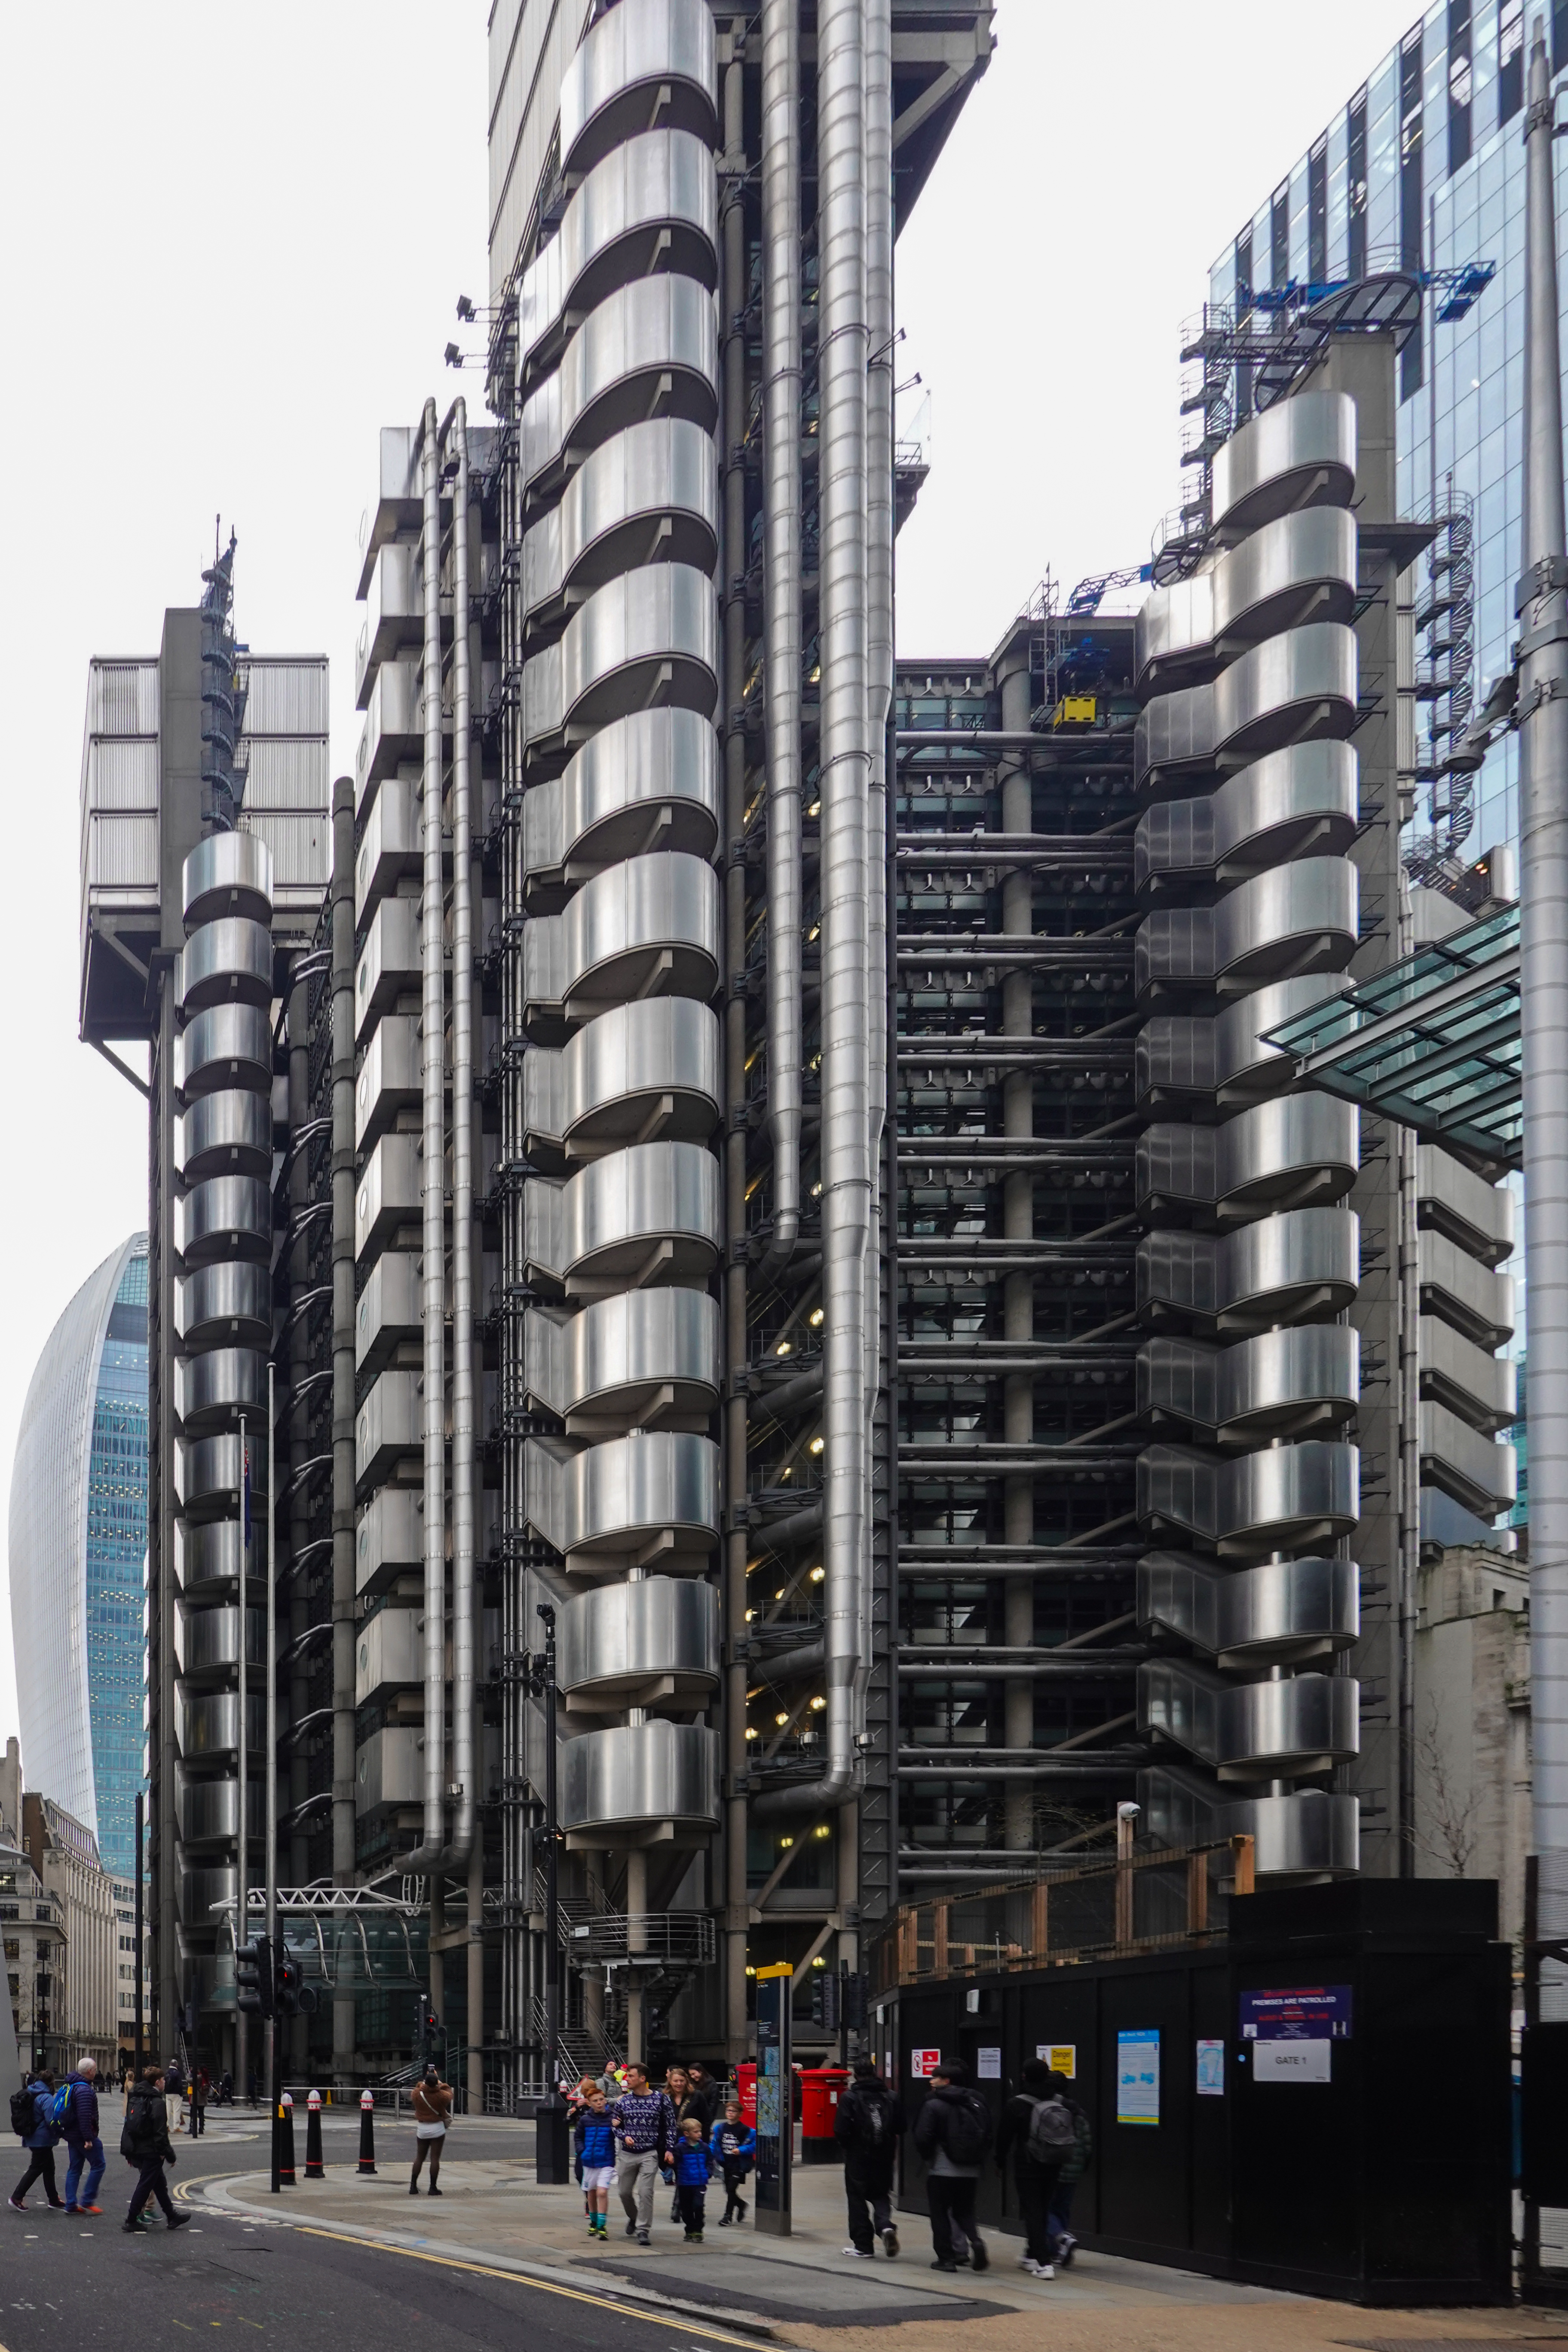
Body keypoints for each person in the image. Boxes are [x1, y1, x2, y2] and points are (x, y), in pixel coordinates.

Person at [996, 2058, 1079, 2279]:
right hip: (1054, 2162)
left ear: (1024, 2076)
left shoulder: (1017, 2104)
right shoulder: (1062, 2101)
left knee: (1033, 2211)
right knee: (1043, 2208)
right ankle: (1032, 2254)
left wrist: (999, 2162)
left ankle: (1044, 2263)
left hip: (1027, 2164)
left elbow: (1004, 2137)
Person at [913, 2060, 992, 2273]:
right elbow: (988, 2133)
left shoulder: (933, 2103)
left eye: (935, 2077)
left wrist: (929, 2157)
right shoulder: (976, 2102)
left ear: (946, 2081)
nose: (931, 2081)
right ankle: (976, 2242)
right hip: (971, 2169)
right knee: (965, 2211)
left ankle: (945, 2259)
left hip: (942, 2168)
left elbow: (922, 2136)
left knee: (939, 2214)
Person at [835, 2058, 905, 2259]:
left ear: (856, 2074)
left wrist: (848, 2146)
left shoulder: (850, 2097)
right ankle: (885, 2227)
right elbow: (901, 2127)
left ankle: (863, 2246)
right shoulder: (892, 2097)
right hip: (884, 2154)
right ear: (875, 2073)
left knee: (857, 2199)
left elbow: (841, 2129)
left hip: (858, 2155)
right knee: (881, 2194)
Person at [610, 2060, 676, 2246]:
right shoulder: (623, 2101)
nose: (627, 2079)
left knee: (646, 2192)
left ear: (642, 2079)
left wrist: (669, 2149)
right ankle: (634, 2217)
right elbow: (615, 2126)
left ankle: (643, 2229)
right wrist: (624, 2136)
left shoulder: (661, 2099)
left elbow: (671, 2127)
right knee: (624, 2193)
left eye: (631, 2076)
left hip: (650, 2153)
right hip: (627, 2154)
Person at [121, 2065, 186, 2233]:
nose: (165, 2082)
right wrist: (170, 2155)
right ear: (158, 2082)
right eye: (164, 2080)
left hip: (138, 2147)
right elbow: (161, 2134)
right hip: (151, 2151)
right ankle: (131, 2220)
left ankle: (172, 2216)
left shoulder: (136, 2097)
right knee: (145, 2185)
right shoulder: (157, 2102)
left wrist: (129, 2151)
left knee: (159, 2184)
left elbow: (128, 2125)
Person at [1044, 2072, 1090, 2268]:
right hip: (1074, 2168)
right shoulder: (1078, 2111)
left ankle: (1061, 2239)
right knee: (1062, 2209)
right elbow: (1087, 2144)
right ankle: (1059, 2252)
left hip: (1054, 2167)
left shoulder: (1049, 2109)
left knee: (1043, 2209)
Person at [8, 2071, 64, 2213]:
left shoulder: (31, 2093)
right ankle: (17, 2198)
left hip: (32, 2136)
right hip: (43, 2139)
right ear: (51, 2083)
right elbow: (51, 2120)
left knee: (49, 2168)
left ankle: (54, 2199)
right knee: (36, 2168)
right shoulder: (46, 2097)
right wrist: (61, 2130)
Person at [62, 2057, 106, 2216]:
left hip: (72, 2135)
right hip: (83, 2136)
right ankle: (87, 2200)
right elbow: (85, 2116)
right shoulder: (85, 2091)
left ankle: (71, 2204)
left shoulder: (72, 2085)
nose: (96, 2072)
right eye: (95, 2070)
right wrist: (88, 2138)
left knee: (74, 2168)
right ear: (90, 2072)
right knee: (99, 2165)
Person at [575, 2084, 617, 2240]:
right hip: (589, 2162)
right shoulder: (586, 2119)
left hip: (606, 2162)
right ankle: (593, 2222)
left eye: (602, 2100)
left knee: (602, 2192)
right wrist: (582, 2151)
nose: (600, 2103)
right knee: (591, 2193)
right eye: (595, 2101)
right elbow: (578, 2137)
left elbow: (619, 2134)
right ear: (590, 2103)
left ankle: (602, 2225)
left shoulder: (613, 2118)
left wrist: (619, 2127)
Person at [710, 2095, 754, 2227]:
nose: (730, 2113)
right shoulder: (720, 2128)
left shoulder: (746, 2131)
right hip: (725, 2163)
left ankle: (727, 2216)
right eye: (728, 2111)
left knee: (731, 2188)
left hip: (738, 2164)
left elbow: (754, 2146)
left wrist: (742, 2150)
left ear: (740, 2114)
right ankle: (741, 2204)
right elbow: (715, 2145)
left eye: (733, 2111)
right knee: (728, 2190)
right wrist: (709, 2156)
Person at [410, 2063, 452, 2196]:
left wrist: (425, 2082)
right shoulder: (441, 2096)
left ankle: (413, 2187)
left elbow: (417, 2087)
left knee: (419, 2158)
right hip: (437, 2129)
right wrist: (439, 2082)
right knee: (435, 2159)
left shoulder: (417, 2094)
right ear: (436, 2084)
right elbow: (449, 2093)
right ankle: (433, 2188)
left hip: (422, 2128)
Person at [671, 2114, 713, 2242]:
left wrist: (708, 2173)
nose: (700, 2134)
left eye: (700, 2131)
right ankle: (689, 2229)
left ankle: (699, 2230)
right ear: (687, 2134)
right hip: (685, 2183)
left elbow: (710, 2161)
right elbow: (675, 2164)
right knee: (686, 2209)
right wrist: (671, 2160)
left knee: (698, 2206)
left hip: (700, 2182)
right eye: (696, 2132)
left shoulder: (704, 2147)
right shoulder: (680, 2148)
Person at [685, 2062, 722, 2132]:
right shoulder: (693, 2085)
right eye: (691, 2075)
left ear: (701, 2072)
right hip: (693, 2120)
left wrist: (708, 2120)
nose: (693, 2077)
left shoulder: (712, 2085)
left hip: (705, 2120)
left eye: (694, 2074)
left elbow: (713, 2104)